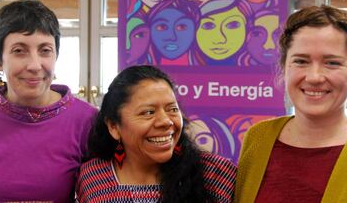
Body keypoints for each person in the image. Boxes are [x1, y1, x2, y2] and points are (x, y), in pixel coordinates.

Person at [235, 5, 347, 202]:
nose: (314, 77)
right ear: (284, 67)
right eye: (301, 61)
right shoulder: (257, 138)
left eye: (332, 63)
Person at [0, 0, 97, 202]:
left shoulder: (87, 120)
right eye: (19, 51)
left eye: (45, 50)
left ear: (56, 55)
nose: (34, 65)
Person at [76, 65, 237, 202]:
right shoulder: (93, 178)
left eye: (172, 109)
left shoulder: (217, 174)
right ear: (114, 126)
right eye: (148, 112)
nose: (166, 121)